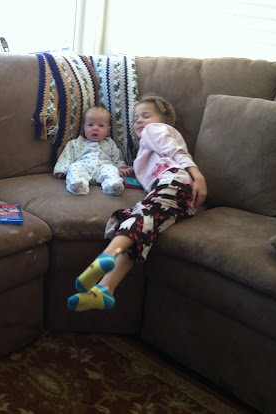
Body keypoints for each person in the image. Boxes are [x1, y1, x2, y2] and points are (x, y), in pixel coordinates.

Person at [67, 94, 207, 311]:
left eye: (146, 115)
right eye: (136, 118)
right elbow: (157, 164)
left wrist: (197, 175)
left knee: (139, 217)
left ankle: (106, 256)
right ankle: (105, 289)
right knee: (140, 230)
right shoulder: (147, 146)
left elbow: (175, 151)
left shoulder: (157, 130)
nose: (139, 121)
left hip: (175, 182)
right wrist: (132, 170)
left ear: (165, 120)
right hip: (177, 195)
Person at [53, 105, 126, 196]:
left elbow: (117, 157)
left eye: (101, 125)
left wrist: (121, 167)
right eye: (90, 125)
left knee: (112, 170)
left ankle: (112, 185)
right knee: (74, 167)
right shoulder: (75, 143)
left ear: (107, 130)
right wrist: (61, 170)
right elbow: (67, 156)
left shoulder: (110, 143)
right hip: (84, 167)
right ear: (84, 128)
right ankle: (77, 184)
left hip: (103, 168)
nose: (95, 128)